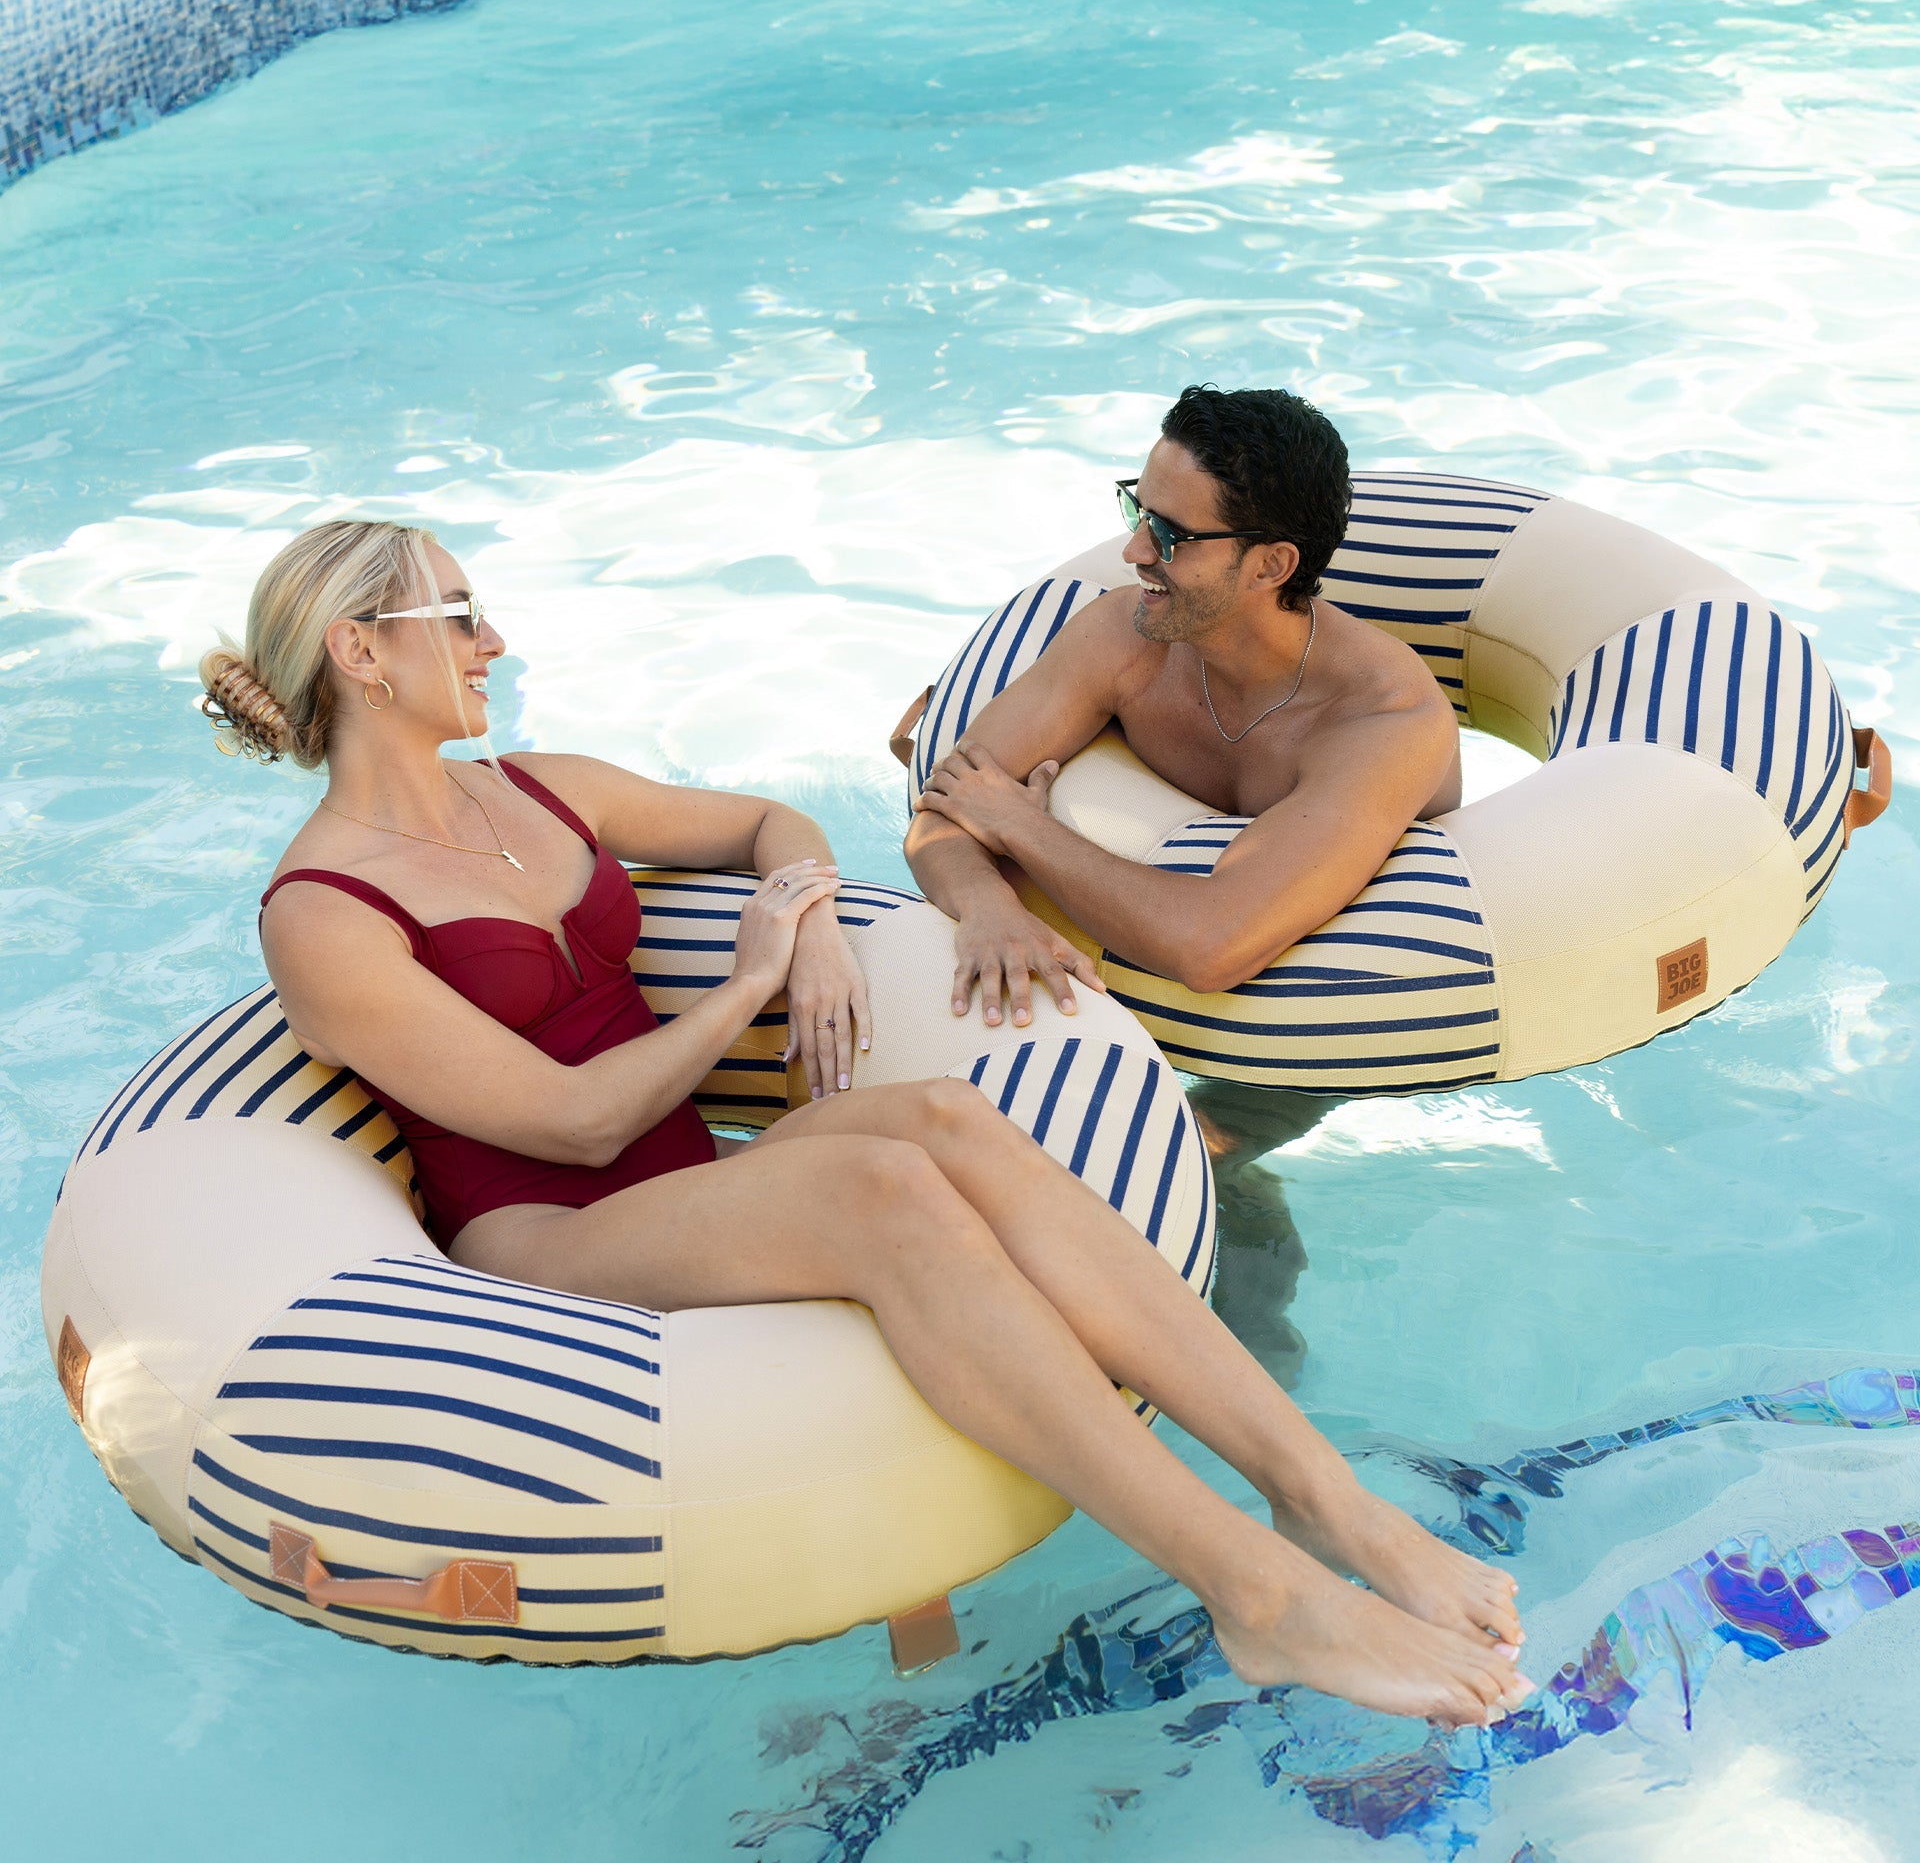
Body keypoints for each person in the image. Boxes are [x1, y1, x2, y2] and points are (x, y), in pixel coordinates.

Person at [200, 517, 1531, 1727]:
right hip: (545, 1231)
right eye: (460, 614)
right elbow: (573, 1124)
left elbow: (775, 824)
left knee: (945, 1120)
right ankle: (1258, 1594)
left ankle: (1326, 1500)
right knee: (882, 1194)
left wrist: (818, 930)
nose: (496, 641)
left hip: (688, 1180)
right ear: (359, 650)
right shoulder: (321, 912)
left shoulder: (539, 788)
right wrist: (747, 986)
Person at [908, 384, 1463, 1029]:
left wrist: (1020, 827)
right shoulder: (1123, 637)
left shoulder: (1387, 722)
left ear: (1270, 566)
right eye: (1135, 510)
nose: (1135, 552)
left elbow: (1211, 948)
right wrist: (985, 903)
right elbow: (942, 810)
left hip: (1337, 1015)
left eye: (1170, 534)